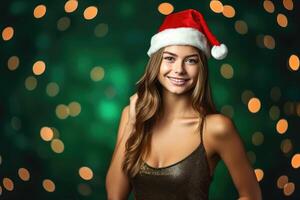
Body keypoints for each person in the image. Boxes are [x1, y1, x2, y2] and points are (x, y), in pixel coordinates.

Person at [106, 9, 262, 200]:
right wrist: (132, 123)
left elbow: (252, 195)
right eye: (170, 58)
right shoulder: (130, 116)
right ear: (156, 63)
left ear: (201, 68)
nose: (179, 70)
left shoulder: (216, 128)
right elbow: (115, 196)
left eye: (191, 61)